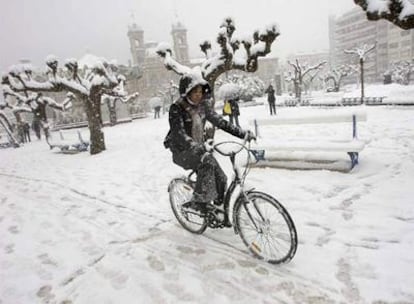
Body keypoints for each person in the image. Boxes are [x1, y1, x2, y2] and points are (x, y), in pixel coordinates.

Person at [164, 73, 255, 222]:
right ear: (186, 92)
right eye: (195, 92)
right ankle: (199, 202)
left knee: (221, 178)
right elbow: (178, 133)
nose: (199, 95)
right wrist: (194, 146)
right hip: (182, 151)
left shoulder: (203, 107)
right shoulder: (177, 108)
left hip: (200, 150)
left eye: (200, 92)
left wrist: (242, 133)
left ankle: (217, 210)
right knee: (207, 163)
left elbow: (220, 122)